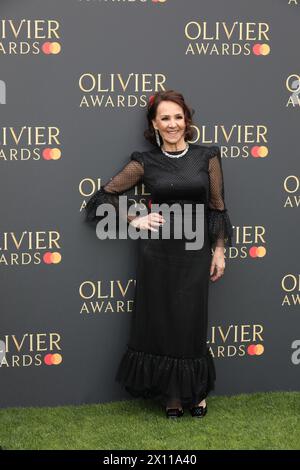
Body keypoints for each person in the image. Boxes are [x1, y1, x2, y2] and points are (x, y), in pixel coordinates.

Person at [85, 90, 233, 419]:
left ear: (187, 121)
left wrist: (219, 251)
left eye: (178, 117)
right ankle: (172, 396)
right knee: (162, 322)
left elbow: (217, 208)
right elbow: (102, 197)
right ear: (154, 124)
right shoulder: (145, 161)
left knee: (190, 323)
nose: (172, 124)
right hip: (158, 254)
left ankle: (195, 393)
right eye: (165, 118)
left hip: (195, 253)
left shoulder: (207, 156)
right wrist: (135, 217)